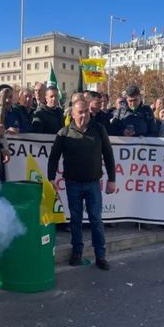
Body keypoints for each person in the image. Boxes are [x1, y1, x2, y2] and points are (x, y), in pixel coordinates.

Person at [48, 100, 116, 270]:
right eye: (80, 112)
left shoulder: (99, 129)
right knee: (76, 220)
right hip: (73, 184)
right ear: (73, 114)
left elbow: (108, 155)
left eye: (86, 111)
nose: (84, 114)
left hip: (93, 183)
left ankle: (100, 255)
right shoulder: (64, 133)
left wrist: (112, 179)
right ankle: (77, 252)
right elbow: (53, 158)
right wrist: (51, 178)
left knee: (96, 220)